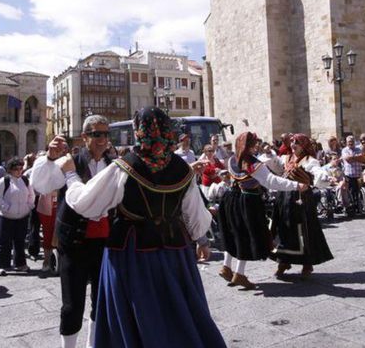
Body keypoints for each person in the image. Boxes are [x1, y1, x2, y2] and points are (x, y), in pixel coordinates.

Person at [51, 107, 226, 347]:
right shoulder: (182, 169)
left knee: (138, 312)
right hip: (175, 252)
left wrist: (71, 176)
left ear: (139, 131)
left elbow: (85, 204)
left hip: (132, 254)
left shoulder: (124, 167)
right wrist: (202, 240)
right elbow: (195, 214)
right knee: (175, 308)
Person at [31, 116, 116, 348]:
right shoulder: (70, 162)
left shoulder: (113, 164)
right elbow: (41, 186)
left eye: (106, 134)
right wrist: (49, 157)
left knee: (102, 300)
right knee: (72, 304)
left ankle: (92, 344)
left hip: (104, 243)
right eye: (97, 134)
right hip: (74, 242)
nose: (102, 139)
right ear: (85, 136)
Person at [218, 132, 305, 289]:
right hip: (247, 201)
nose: (256, 146)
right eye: (253, 143)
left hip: (230, 199)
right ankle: (239, 274)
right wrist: (296, 185)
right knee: (245, 235)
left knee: (233, 233)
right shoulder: (251, 163)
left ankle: (226, 266)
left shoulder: (232, 159)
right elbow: (271, 182)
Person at [272, 134, 333, 278]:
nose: (293, 145)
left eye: (297, 143)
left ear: (304, 145)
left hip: (301, 199)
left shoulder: (309, 160)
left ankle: (307, 264)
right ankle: (284, 261)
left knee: (304, 230)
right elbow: (274, 167)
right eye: (292, 142)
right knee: (283, 228)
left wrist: (324, 177)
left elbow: (317, 172)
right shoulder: (285, 158)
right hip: (284, 197)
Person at [0, 158, 34, 276]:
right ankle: (1, 265)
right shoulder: (4, 181)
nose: (19, 171)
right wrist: (7, 209)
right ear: (10, 169)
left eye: (21, 168)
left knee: (20, 242)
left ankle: (20, 264)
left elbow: (31, 196)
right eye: (16, 169)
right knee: (3, 242)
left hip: (22, 217)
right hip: (6, 217)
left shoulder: (26, 180)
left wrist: (28, 207)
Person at [340, 135, 365, 214]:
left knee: (358, 191)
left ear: (354, 142)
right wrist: (356, 157)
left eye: (352, 142)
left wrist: (353, 158)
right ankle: (352, 207)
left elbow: (363, 159)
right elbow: (348, 160)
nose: (350, 143)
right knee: (350, 192)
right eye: (349, 142)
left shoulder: (358, 149)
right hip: (349, 174)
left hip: (358, 174)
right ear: (346, 143)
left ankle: (359, 206)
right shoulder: (344, 150)